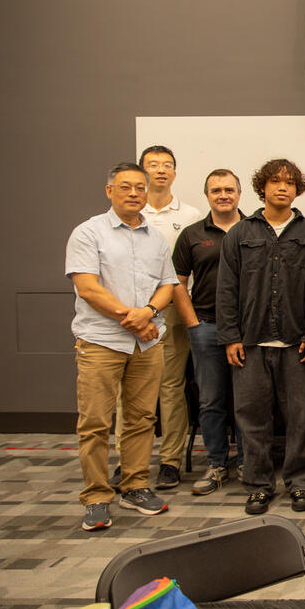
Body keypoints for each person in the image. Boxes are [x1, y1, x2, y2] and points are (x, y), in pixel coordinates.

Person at [216, 159, 305, 515]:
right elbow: (227, 288)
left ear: (298, 190)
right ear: (262, 187)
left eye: (290, 182)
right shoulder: (240, 233)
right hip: (250, 343)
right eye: (275, 181)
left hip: (298, 344)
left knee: (301, 416)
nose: (282, 187)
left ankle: (301, 484)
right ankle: (259, 485)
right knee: (251, 417)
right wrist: (231, 337)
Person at [67, 162, 176, 530]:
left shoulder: (156, 238)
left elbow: (167, 286)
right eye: (126, 187)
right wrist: (133, 318)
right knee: (95, 422)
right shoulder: (88, 233)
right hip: (101, 341)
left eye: (140, 188)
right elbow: (88, 287)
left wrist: (147, 312)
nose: (134, 193)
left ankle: (135, 486)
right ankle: (97, 496)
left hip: (147, 344)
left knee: (142, 418)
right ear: (109, 190)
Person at [129, 146, 201, 490]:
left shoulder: (189, 215)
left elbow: (187, 272)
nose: (160, 171)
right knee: (127, 391)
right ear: (142, 172)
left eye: (167, 165)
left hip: (171, 309)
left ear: (175, 172)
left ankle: (169, 460)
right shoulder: (126, 211)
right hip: (127, 312)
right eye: (153, 165)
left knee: (171, 386)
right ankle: (130, 462)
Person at [172, 169, 246, 495]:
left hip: (247, 330)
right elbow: (177, 281)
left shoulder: (253, 231)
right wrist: (191, 323)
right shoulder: (191, 235)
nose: (223, 195)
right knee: (211, 401)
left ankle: (247, 461)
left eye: (229, 189)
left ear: (239, 194)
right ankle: (217, 464)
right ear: (207, 196)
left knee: (247, 400)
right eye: (216, 190)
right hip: (206, 327)